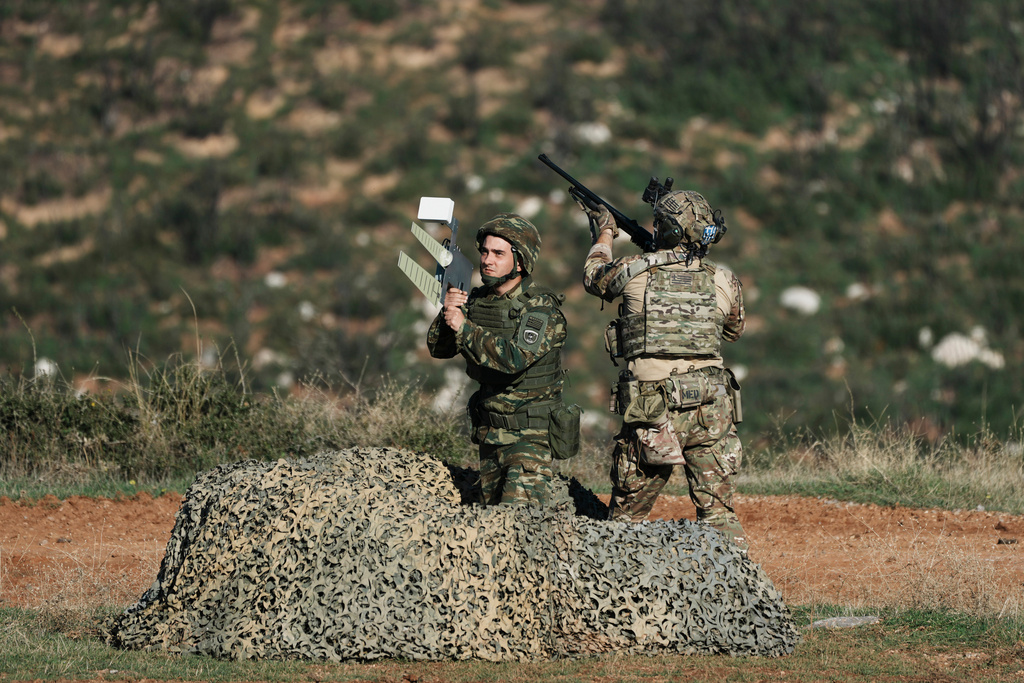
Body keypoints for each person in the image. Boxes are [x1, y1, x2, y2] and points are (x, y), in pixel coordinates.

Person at [580, 190, 749, 552]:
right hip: (711, 406)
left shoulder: (632, 271)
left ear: (669, 230)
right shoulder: (724, 279)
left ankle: (618, 595)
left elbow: (594, 277)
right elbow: (734, 331)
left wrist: (605, 234)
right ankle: (737, 591)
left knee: (627, 519)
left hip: (654, 408)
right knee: (718, 514)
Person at [427, 213, 576, 507]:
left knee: (518, 527)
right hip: (491, 435)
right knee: (492, 528)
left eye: (498, 253)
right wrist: (448, 314)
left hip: (529, 438)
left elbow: (514, 359)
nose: (487, 260)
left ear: (520, 262)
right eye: (484, 251)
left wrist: (464, 327)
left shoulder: (540, 309)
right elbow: (439, 350)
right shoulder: (478, 300)